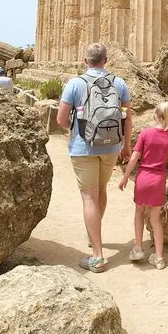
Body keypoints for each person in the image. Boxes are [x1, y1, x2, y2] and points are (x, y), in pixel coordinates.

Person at [57, 43, 132, 273]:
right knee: (101, 191)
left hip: (83, 148)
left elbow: (60, 119)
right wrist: (126, 146)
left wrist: (79, 130)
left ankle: (97, 256)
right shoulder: (119, 83)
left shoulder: (75, 83)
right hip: (111, 147)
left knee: (89, 197)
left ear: (84, 60)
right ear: (106, 61)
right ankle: (94, 235)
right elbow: (127, 118)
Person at [119, 101, 168, 270]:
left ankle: (138, 248)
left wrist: (125, 177)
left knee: (139, 212)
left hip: (143, 178)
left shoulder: (145, 134)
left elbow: (134, 158)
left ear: (156, 115)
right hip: (158, 180)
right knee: (155, 219)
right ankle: (160, 258)